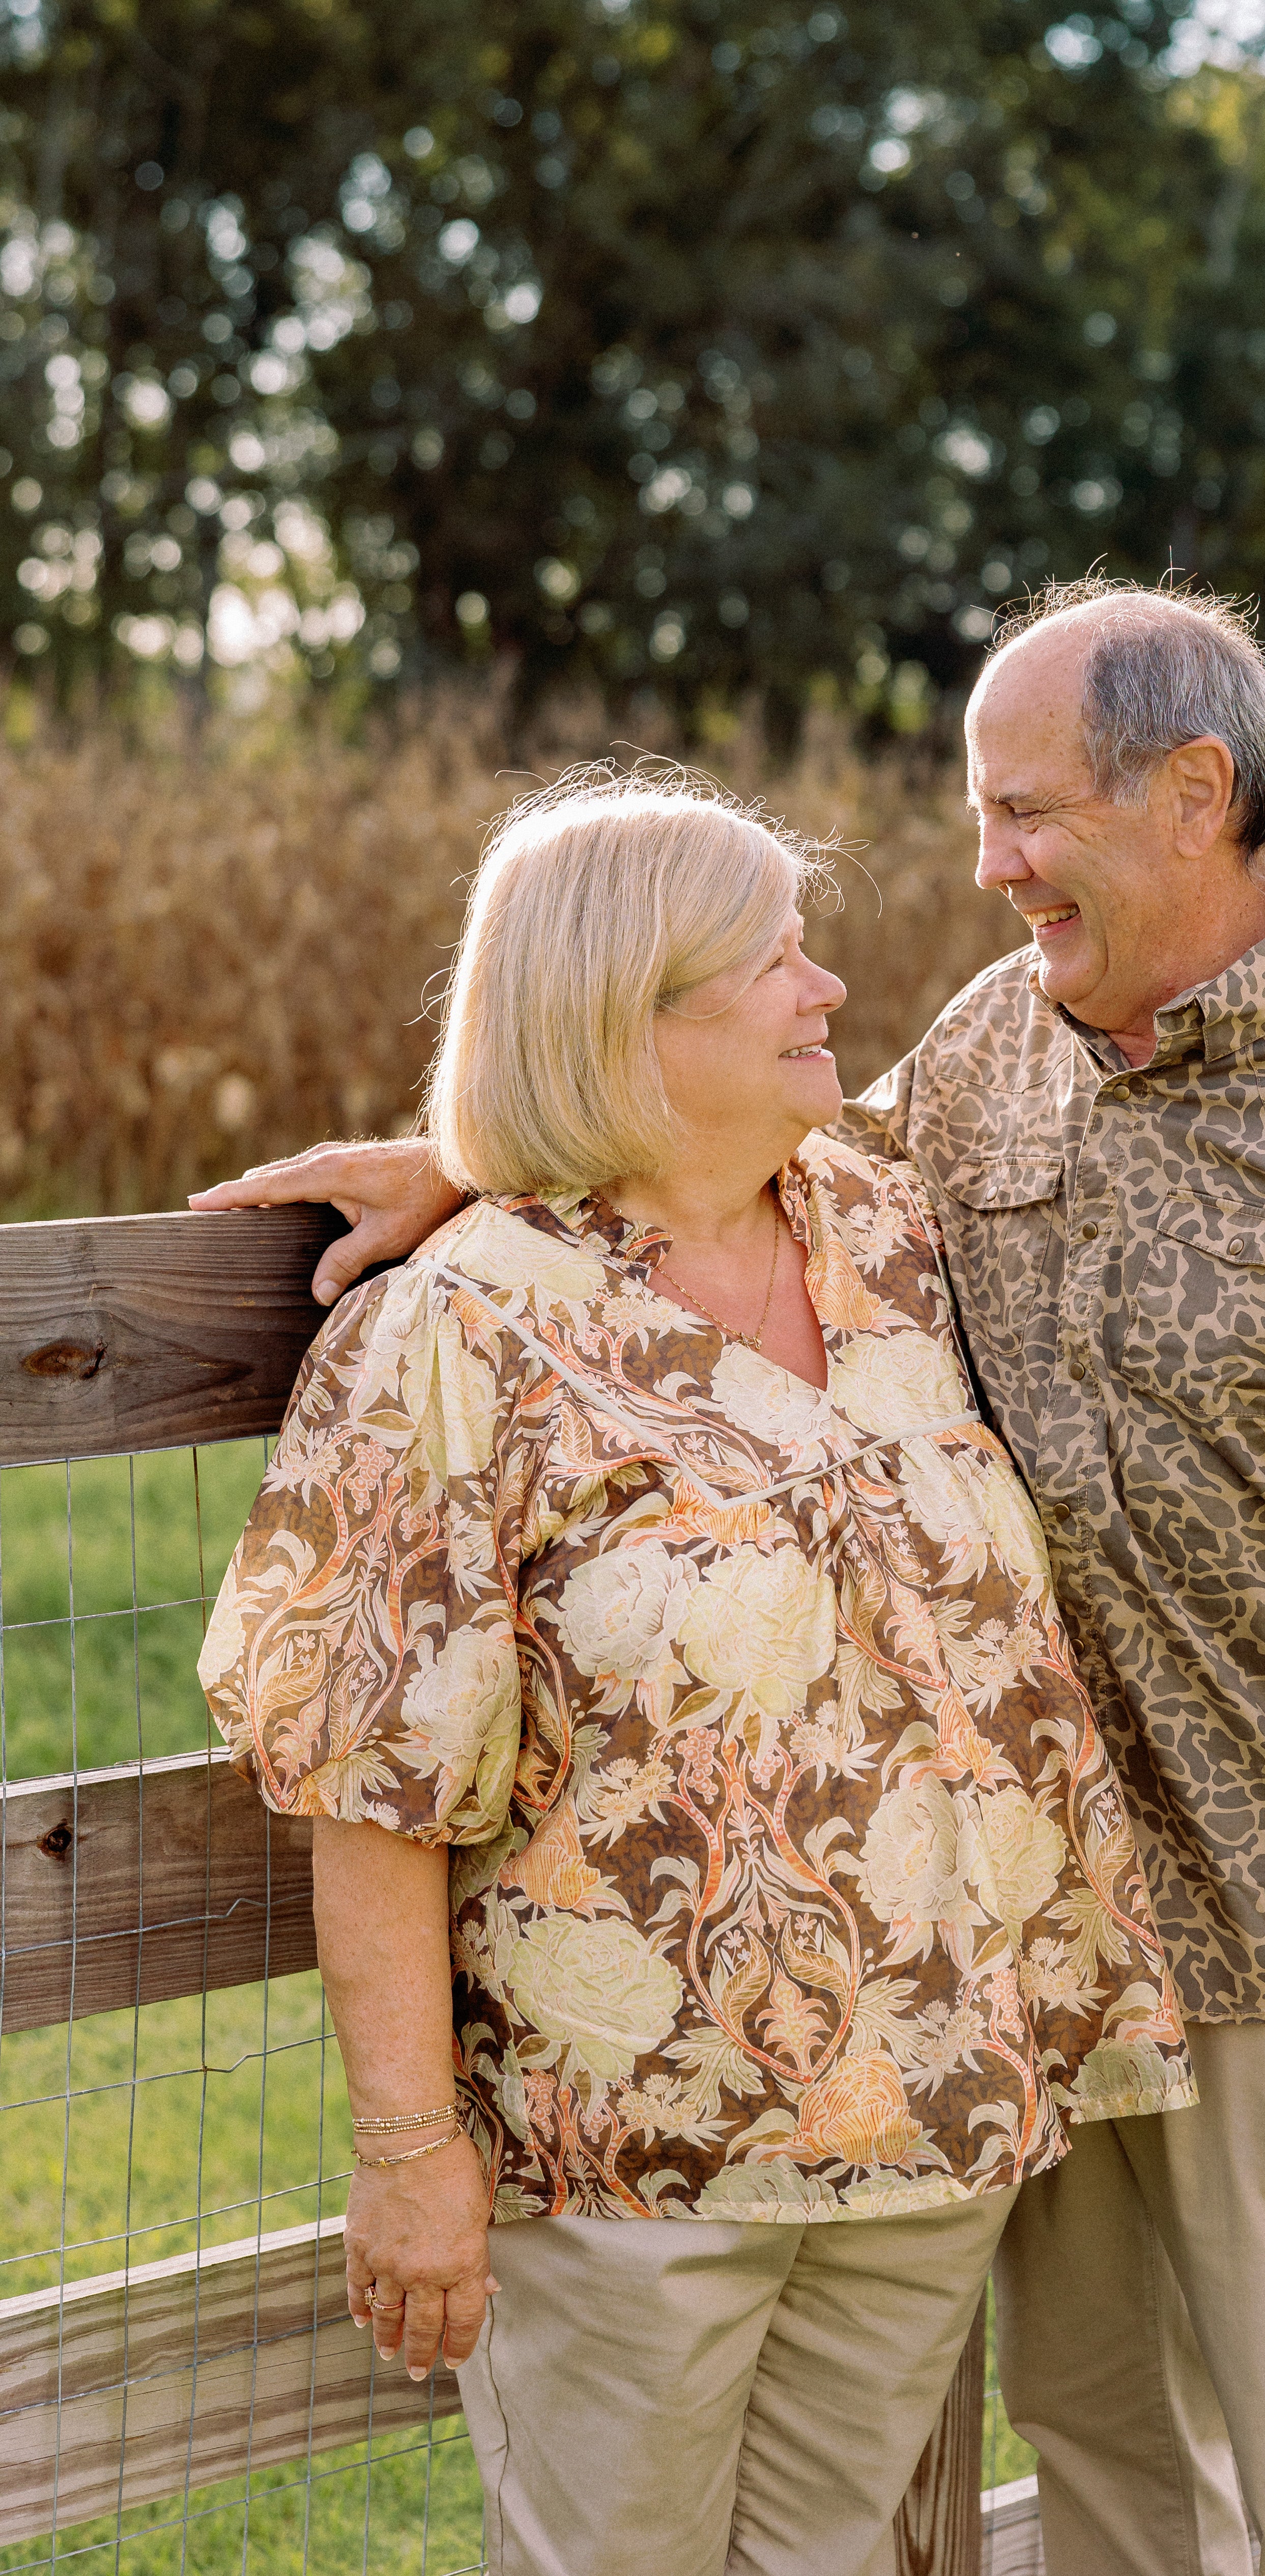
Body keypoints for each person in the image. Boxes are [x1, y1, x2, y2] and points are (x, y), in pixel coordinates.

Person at [197, 580, 1265, 2576]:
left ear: (1192, 797)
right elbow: (663, 1162)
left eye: (1023, 812)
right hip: (1021, 2008)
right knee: (1115, 2489)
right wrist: (469, 1166)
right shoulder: (978, 1065)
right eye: (978, 813)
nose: (981, 863)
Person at [196, 773, 1194, 2576]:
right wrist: (409, 2151)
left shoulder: (884, 1237)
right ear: (622, 1018)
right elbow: (369, 1778)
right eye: (777, 963)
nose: (827, 992)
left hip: (928, 2116)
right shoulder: (458, 1331)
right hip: (634, 2161)